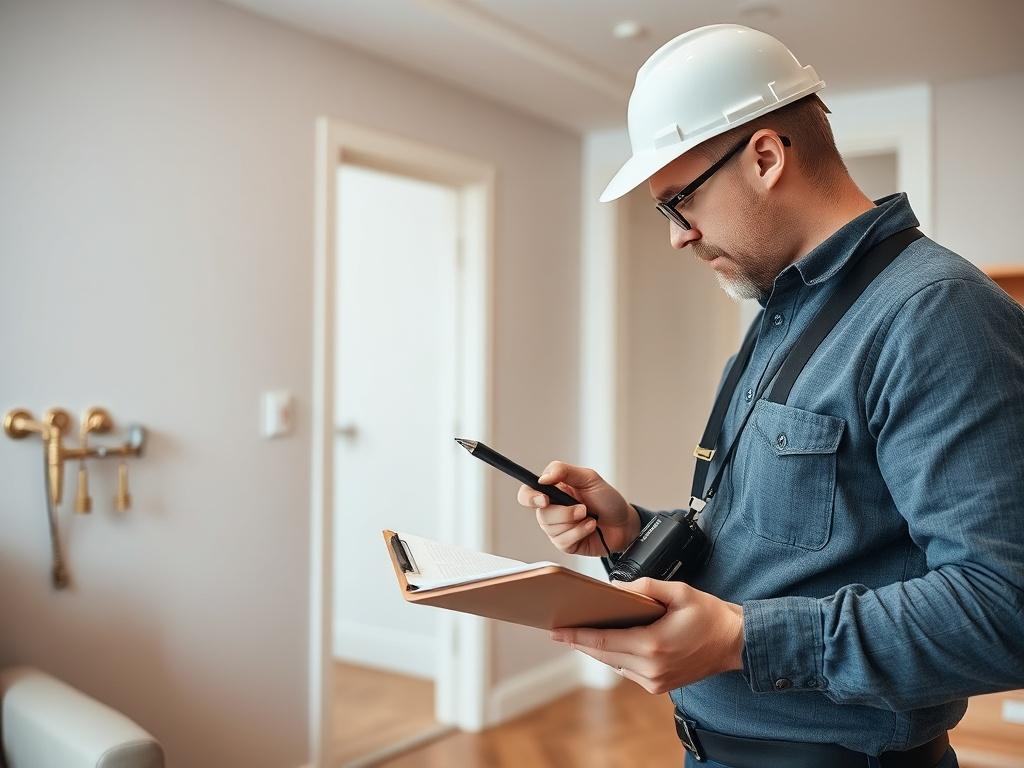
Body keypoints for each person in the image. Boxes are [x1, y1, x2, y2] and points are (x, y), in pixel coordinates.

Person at [517, 24, 1024, 768]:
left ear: (764, 157)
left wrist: (740, 641)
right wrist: (631, 533)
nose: (678, 237)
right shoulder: (779, 319)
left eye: (679, 201)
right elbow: (774, 545)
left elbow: (1005, 608)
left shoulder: (938, 315)